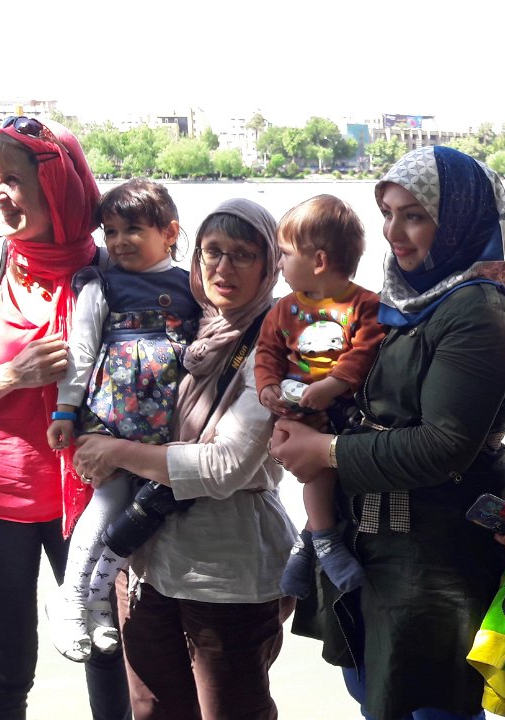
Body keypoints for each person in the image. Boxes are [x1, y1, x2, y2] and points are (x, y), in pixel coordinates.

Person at [270, 145, 505, 720]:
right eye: (388, 214)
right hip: (376, 540)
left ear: (458, 219)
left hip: (434, 555)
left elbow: (445, 444)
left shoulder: (479, 309)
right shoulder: (407, 300)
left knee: (428, 703)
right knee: (377, 695)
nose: (394, 232)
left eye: (415, 216)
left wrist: (325, 450)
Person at [0, 116, 130, 719]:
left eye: (11, 179)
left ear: (57, 187)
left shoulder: (116, 274)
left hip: (92, 500)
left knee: (111, 655)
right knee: (5, 668)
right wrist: (14, 374)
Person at [71, 198, 296, 719]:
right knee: (151, 710)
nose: (223, 268)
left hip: (226, 568)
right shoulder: (190, 325)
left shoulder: (277, 343)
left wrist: (118, 451)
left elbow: (225, 467)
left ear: (270, 264)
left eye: (243, 255)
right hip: (145, 559)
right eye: (212, 252)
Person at [44, 178, 202, 662]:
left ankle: (99, 599)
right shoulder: (102, 284)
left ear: (169, 232)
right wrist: (65, 410)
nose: (118, 242)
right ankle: (70, 596)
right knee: (109, 500)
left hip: (167, 425)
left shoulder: (192, 285)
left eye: (132, 229)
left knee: (146, 511)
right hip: (112, 415)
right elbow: (82, 351)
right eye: (110, 232)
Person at [253, 194, 384, 599]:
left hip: (344, 411)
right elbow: (267, 352)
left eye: (284, 254)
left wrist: (335, 383)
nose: (278, 264)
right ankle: (322, 540)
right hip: (298, 410)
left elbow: (365, 350)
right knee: (317, 474)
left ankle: (312, 544)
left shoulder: (365, 305)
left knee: (329, 470)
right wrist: (267, 388)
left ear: (319, 260)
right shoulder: (283, 310)